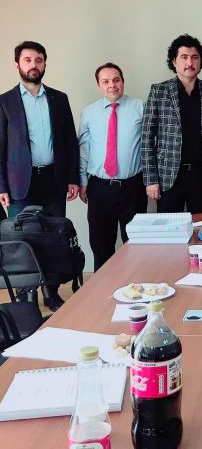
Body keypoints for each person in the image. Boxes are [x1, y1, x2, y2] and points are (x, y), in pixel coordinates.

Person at [0, 41, 79, 310]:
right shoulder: (5, 101)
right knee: (22, 240)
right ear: (17, 65)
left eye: (38, 60)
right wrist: (1, 185)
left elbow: (69, 141)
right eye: (28, 60)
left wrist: (73, 178)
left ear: (45, 63)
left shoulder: (59, 99)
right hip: (19, 183)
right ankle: (26, 298)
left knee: (53, 238)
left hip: (53, 179)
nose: (33, 65)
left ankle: (51, 293)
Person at [142, 34, 202, 213]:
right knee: (168, 229)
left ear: (200, 61)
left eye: (194, 57)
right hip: (168, 176)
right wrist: (151, 179)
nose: (189, 62)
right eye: (184, 57)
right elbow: (147, 139)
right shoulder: (159, 91)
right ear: (174, 61)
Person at [78, 62, 147, 272]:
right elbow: (83, 149)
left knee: (136, 244)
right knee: (101, 244)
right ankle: (103, 288)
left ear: (123, 82)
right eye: (106, 81)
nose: (112, 85)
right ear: (99, 85)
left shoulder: (140, 107)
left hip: (133, 186)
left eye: (116, 80)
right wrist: (82, 181)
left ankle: (136, 284)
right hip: (99, 188)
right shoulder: (89, 112)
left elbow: (150, 144)